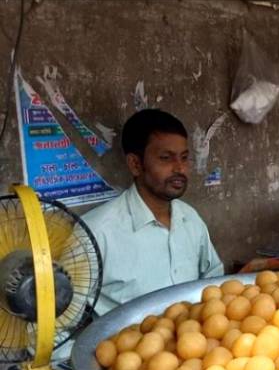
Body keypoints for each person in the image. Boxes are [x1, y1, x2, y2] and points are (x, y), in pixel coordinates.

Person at [83, 109, 224, 315]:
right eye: (166, 158)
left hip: (193, 340)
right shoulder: (95, 233)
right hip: (124, 346)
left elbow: (214, 280)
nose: (180, 168)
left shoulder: (190, 219)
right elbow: (57, 322)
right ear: (135, 164)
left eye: (184, 158)